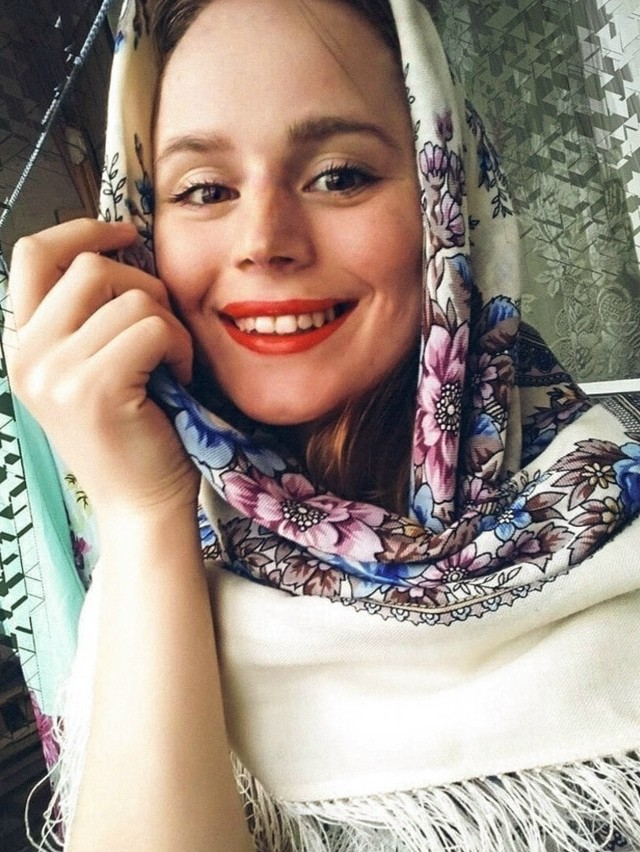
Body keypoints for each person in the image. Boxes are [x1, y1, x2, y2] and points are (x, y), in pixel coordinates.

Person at [6, 0, 640, 849]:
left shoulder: (617, 527)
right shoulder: (146, 593)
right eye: (205, 190)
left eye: (339, 176)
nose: (264, 240)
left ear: (447, 197)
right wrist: (146, 516)